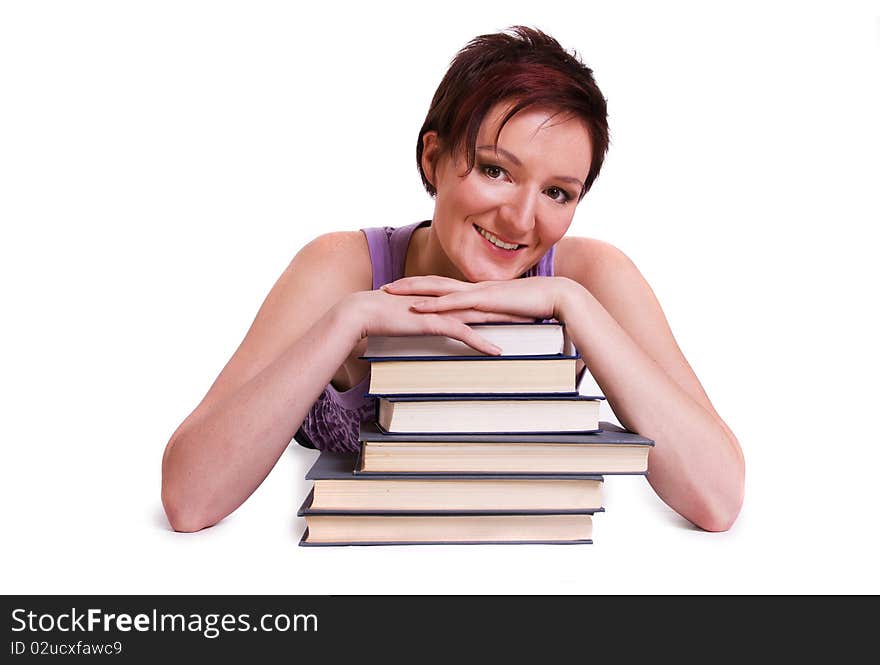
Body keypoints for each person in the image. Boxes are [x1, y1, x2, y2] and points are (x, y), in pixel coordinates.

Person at [161, 26, 744, 534]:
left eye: (558, 192)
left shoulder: (590, 275)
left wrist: (573, 304)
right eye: (495, 170)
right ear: (431, 159)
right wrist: (350, 319)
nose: (521, 220)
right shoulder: (342, 266)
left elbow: (717, 500)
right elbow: (190, 501)